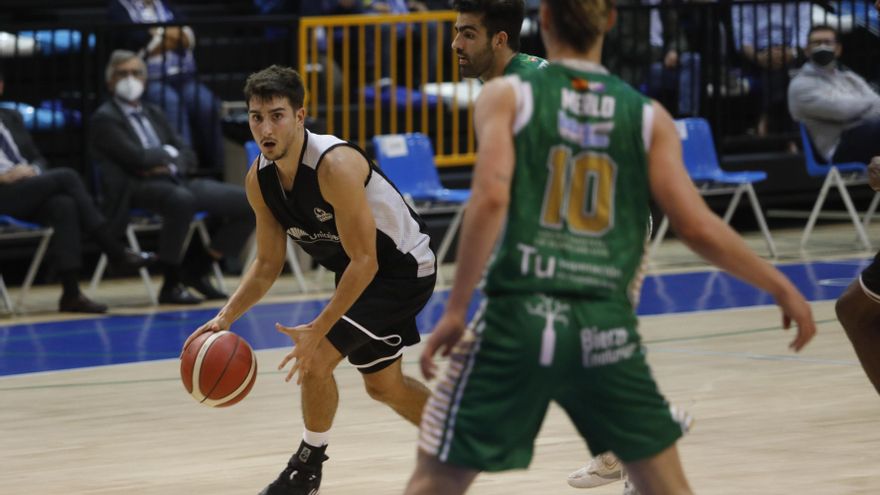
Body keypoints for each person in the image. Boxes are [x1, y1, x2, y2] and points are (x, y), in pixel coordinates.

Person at [404, 0, 817, 493]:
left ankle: (634, 434)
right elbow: (698, 226)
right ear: (613, 22)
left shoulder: (511, 92)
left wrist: (454, 307)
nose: (456, 44)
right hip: (610, 242)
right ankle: (626, 442)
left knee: (436, 476)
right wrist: (780, 284)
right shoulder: (646, 112)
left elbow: (491, 195)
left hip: (535, 279)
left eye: (467, 34)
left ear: (537, 26)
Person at [182, 64, 437, 495]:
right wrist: (224, 318)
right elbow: (266, 265)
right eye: (256, 116)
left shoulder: (334, 166)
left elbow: (365, 261)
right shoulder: (258, 180)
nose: (265, 127)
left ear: (300, 116)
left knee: (315, 358)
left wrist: (319, 327)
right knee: (384, 387)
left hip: (401, 269)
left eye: (276, 115)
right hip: (360, 271)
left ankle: (305, 471)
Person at [89, 50, 254, 305]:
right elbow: (137, 159)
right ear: (110, 81)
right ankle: (171, 282)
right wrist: (166, 155)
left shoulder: (154, 112)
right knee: (181, 200)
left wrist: (166, 160)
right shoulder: (104, 118)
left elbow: (188, 154)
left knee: (250, 202)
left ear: (145, 80)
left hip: (176, 180)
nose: (130, 79)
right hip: (135, 187)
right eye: (122, 74)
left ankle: (198, 268)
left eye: (135, 73)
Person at [0, 69, 155, 313]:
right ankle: (114, 250)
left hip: (26, 187)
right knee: (67, 176)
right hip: (3, 192)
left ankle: (71, 294)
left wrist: (33, 170)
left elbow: (38, 158)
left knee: (64, 205)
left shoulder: (10, 116)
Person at [108, 0, 225, 177]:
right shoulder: (120, 8)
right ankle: (184, 172)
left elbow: (189, 36)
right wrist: (172, 37)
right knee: (172, 103)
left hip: (184, 77)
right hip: (149, 80)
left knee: (206, 104)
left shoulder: (166, 5)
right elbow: (139, 42)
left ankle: (219, 171)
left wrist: (158, 34)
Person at [788, 24, 880, 165]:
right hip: (838, 149)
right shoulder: (800, 85)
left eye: (828, 42)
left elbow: (877, 103)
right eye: (817, 43)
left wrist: (857, 106)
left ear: (838, 49)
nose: (822, 47)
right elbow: (842, 110)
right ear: (807, 50)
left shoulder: (849, 77)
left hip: (867, 135)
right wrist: (866, 104)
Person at [731, 0, 811, 134]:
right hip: (756, 54)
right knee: (780, 70)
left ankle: (766, 120)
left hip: (792, 51)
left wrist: (790, 53)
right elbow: (743, 40)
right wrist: (759, 57)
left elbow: (803, 34)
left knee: (782, 69)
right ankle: (786, 134)